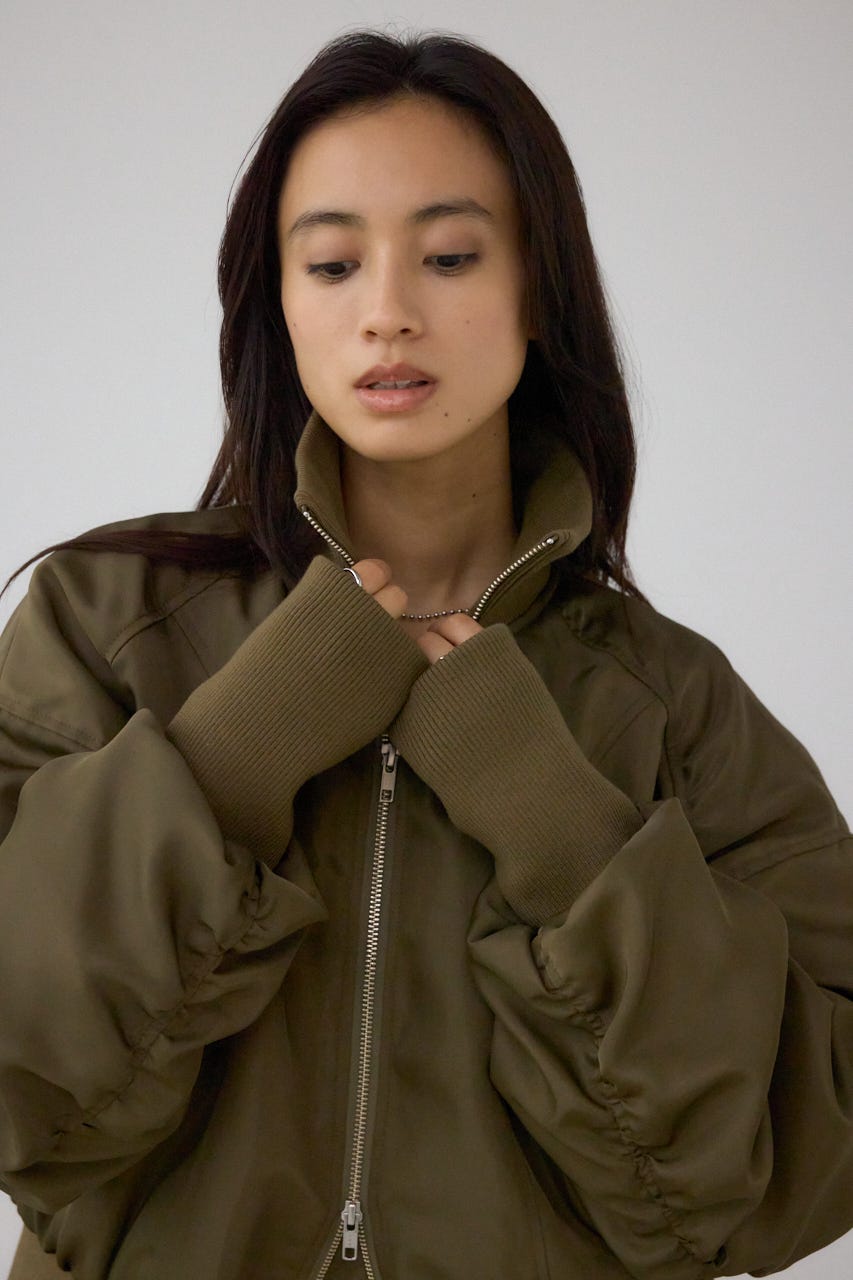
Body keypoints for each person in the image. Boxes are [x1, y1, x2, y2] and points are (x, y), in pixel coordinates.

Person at [0, 27, 850, 1280]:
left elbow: (781, 1175)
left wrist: (558, 818)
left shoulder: (672, 702)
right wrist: (236, 751)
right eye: (332, 262)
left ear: (538, 288)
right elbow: (24, 1095)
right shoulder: (106, 624)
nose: (388, 310)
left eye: (449, 256)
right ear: (278, 301)